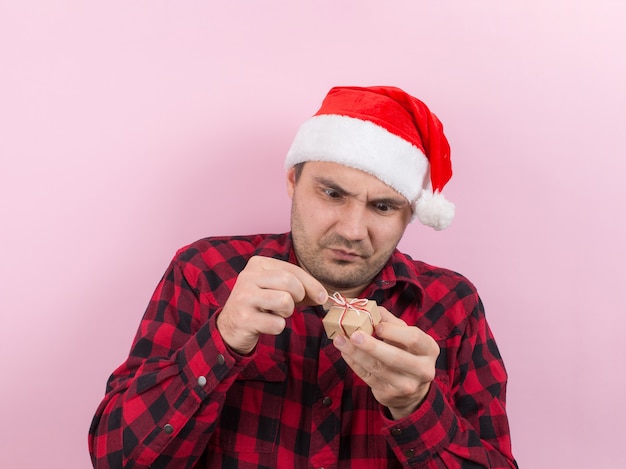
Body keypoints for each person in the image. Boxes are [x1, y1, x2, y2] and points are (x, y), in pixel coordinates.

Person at [89, 86, 517, 468]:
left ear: (410, 213)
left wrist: (415, 407)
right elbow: (116, 458)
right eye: (332, 194)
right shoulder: (204, 272)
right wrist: (222, 339)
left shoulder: (452, 305)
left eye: (383, 207)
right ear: (293, 181)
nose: (352, 230)